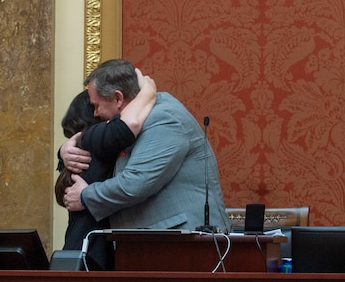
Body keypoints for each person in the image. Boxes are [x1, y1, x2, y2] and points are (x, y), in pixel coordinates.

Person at [61, 58, 230, 233]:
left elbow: (135, 183)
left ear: (118, 98)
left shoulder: (164, 118)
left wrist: (85, 196)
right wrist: (64, 151)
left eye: (96, 106)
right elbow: (99, 140)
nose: (95, 113)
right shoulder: (140, 118)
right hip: (157, 241)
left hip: (186, 243)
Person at [55, 72, 157, 269]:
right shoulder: (95, 137)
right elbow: (127, 127)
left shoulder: (85, 143)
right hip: (92, 253)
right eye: (93, 106)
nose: (97, 112)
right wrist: (148, 91)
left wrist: (61, 152)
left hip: (79, 247)